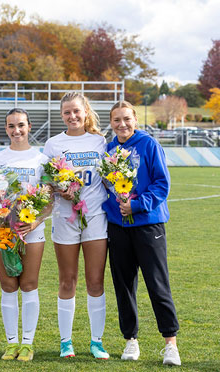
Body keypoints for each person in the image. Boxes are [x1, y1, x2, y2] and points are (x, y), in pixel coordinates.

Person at [103, 100, 181, 366]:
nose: (122, 124)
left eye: (126, 119)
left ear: (135, 119)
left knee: (157, 284)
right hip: (118, 228)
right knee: (124, 286)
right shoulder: (109, 150)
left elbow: (162, 183)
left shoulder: (149, 145)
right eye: (116, 120)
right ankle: (130, 340)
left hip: (148, 226)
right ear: (111, 123)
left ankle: (170, 344)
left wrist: (136, 204)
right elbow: (105, 187)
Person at [43, 92, 109, 359]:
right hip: (64, 218)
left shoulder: (100, 142)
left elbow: (109, 177)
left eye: (76, 111)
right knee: (67, 280)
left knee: (95, 281)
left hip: (95, 216)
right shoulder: (53, 144)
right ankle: (65, 341)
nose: (72, 116)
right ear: (61, 115)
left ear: (86, 112)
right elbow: (47, 183)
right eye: (67, 112)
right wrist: (60, 189)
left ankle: (97, 341)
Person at [0, 108, 52, 362]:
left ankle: (27, 344)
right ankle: (11, 344)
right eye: (11, 126)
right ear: (6, 129)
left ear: (29, 126)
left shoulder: (41, 159)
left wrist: (35, 222)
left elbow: (48, 199)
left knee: (28, 285)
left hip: (31, 231)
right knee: (7, 285)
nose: (16, 130)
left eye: (21, 125)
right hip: (4, 230)